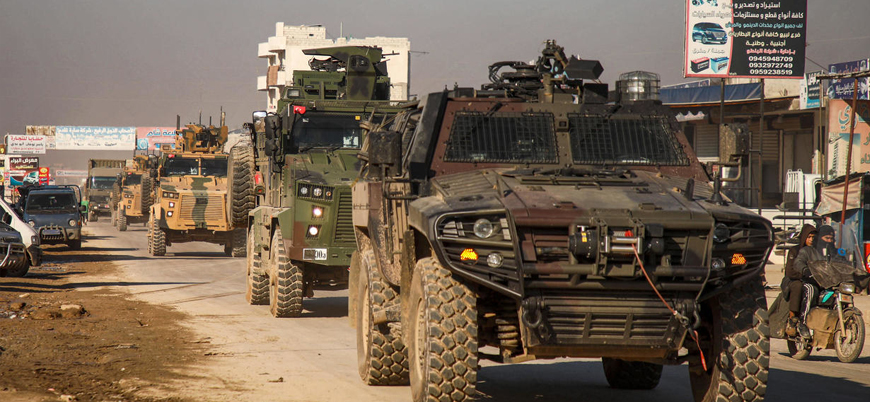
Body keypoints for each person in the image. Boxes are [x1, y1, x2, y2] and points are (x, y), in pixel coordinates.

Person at [792, 224, 838, 338]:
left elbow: (843, 264)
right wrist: (805, 270)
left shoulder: (834, 252)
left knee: (838, 293)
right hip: (811, 282)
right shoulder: (808, 251)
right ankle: (803, 323)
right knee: (811, 290)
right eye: (826, 238)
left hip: (828, 284)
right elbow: (798, 262)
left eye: (831, 238)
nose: (829, 241)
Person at [782, 224, 816, 337]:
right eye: (809, 237)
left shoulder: (816, 251)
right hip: (794, 280)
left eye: (813, 237)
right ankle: (793, 319)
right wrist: (804, 275)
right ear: (804, 237)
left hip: (812, 279)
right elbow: (790, 272)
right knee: (798, 286)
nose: (811, 240)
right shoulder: (794, 250)